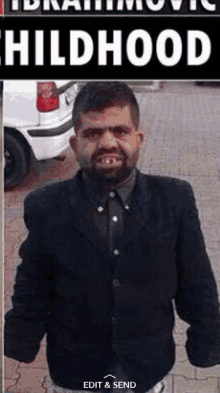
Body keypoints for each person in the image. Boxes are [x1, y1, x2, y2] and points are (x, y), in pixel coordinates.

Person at [4, 82, 220, 393]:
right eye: (93, 134)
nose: (108, 142)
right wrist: (21, 338)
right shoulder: (46, 206)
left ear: (139, 138)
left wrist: (206, 339)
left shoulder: (175, 199)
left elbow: (197, 280)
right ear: (75, 144)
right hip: (76, 369)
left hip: (146, 367)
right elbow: (34, 281)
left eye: (120, 131)